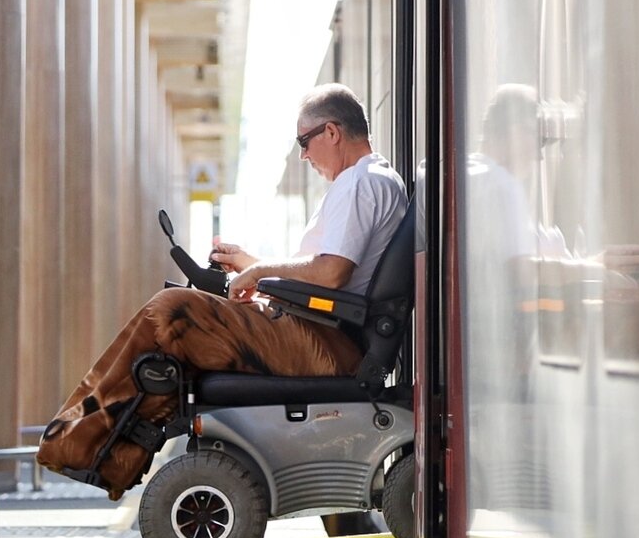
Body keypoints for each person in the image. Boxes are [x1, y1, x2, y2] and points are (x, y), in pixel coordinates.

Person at [37, 84, 409, 496]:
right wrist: (252, 267)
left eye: (305, 142)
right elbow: (324, 272)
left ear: (332, 132)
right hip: (324, 330)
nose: (303, 154)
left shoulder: (359, 183)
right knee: (183, 329)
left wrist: (260, 273)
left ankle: (79, 446)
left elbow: (333, 273)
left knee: (170, 310)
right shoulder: (375, 179)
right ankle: (103, 452)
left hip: (326, 342)